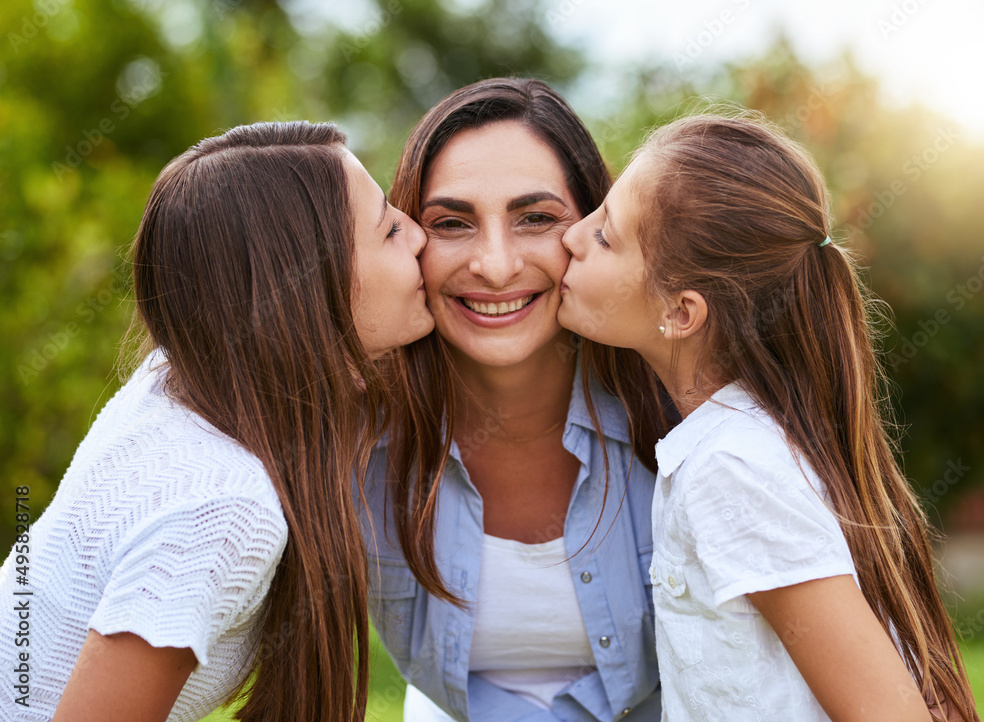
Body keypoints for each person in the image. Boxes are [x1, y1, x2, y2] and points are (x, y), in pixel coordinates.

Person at [0, 121, 435, 722]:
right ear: (309, 289)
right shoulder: (225, 509)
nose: (419, 236)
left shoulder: (182, 378)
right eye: (389, 228)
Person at [558, 112, 980, 721]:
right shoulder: (732, 445)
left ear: (681, 312)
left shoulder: (733, 467)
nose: (572, 236)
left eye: (604, 235)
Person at [362, 78, 666, 720]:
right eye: (452, 223)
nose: (495, 267)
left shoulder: (680, 409)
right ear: (407, 240)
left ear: (593, 229)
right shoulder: (357, 436)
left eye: (535, 218)